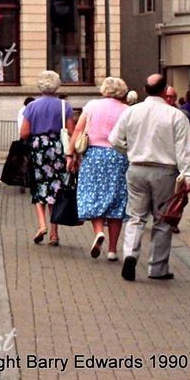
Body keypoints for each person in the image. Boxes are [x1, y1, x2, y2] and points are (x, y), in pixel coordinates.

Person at [108, 73, 190, 281]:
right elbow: (184, 149)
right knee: (163, 220)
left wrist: (128, 151)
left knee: (135, 216)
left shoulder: (131, 112)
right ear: (165, 90)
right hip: (165, 171)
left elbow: (114, 139)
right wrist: (188, 176)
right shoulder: (175, 116)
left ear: (145, 90)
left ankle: (130, 253)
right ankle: (157, 268)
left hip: (136, 168)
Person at [67, 77, 130, 261]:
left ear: (104, 90)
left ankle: (98, 232)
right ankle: (112, 250)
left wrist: (70, 155)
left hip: (93, 155)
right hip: (118, 156)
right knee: (117, 199)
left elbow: (78, 131)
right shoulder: (127, 110)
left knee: (92, 193)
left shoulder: (92, 105)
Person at [20, 70, 74, 246]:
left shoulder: (31, 106)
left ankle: (41, 224)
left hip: (38, 149)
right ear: (57, 85)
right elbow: (72, 132)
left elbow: (24, 133)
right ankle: (54, 234)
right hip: (57, 148)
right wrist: (73, 156)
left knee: (40, 187)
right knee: (57, 188)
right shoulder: (64, 106)